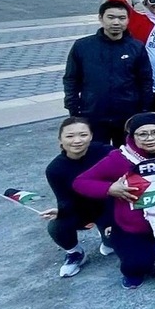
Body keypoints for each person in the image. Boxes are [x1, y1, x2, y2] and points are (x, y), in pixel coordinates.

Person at [72, 113, 155, 289]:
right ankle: (129, 256)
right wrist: (109, 189)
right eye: (142, 134)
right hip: (134, 228)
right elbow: (80, 182)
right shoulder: (120, 158)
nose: (150, 138)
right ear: (132, 136)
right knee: (137, 266)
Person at [63, 1, 153, 146]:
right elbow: (71, 80)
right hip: (93, 114)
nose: (116, 22)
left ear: (128, 20)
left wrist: (144, 110)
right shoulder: (83, 46)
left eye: (122, 18)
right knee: (95, 158)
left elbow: (145, 80)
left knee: (126, 159)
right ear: (100, 18)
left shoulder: (136, 47)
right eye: (111, 17)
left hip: (127, 116)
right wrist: (74, 108)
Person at [43, 118, 114, 278]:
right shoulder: (55, 169)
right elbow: (64, 199)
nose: (77, 140)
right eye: (69, 136)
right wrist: (61, 211)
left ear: (91, 136)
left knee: (113, 244)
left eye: (83, 135)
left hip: (109, 205)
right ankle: (75, 253)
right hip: (81, 209)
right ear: (60, 139)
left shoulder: (106, 152)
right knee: (57, 224)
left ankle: (108, 238)